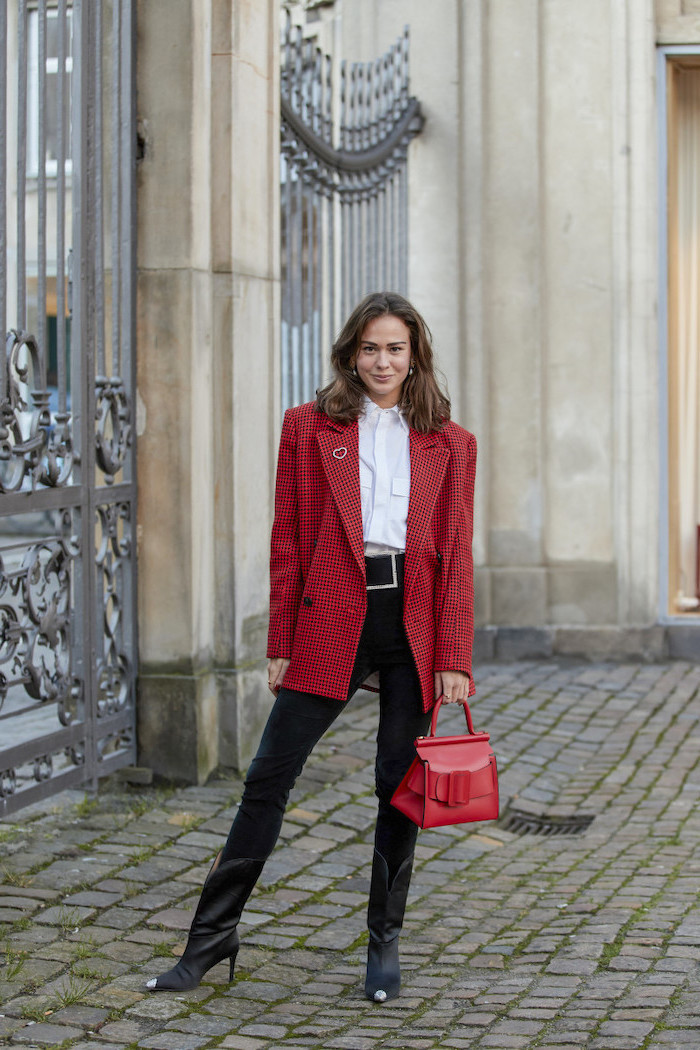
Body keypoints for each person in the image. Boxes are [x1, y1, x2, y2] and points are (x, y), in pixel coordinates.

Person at [146, 291, 477, 1002]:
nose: (382, 361)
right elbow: (288, 541)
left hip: (412, 626)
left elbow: (455, 554)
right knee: (269, 776)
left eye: (395, 348)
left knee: (398, 785)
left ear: (414, 353)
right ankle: (209, 940)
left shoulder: (451, 442)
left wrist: (453, 656)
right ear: (350, 354)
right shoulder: (307, 428)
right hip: (332, 618)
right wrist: (280, 641)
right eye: (369, 348)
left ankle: (383, 946)